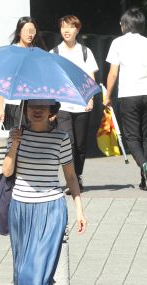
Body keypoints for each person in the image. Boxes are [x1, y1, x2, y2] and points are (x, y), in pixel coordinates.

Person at [3, 99, 86, 285]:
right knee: (25, 266)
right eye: (32, 106)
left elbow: (70, 176)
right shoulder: (16, 135)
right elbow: (7, 172)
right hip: (21, 208)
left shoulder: (60, 138)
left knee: (39, 264)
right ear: (25, 109)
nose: (37, 110)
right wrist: (14, 145)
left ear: (52, 111)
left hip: (51, 208)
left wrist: (79, 210)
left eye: (43, 106)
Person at [104, 8, 147, 192]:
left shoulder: (117, 43)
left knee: (131, 137)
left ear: (124, 25)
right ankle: (145, 180)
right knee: (145, 136)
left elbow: (113, 73)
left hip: (128, 94)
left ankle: (144, 166)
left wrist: (107, 96)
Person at [50, 15, 98, 192]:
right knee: (68, 142)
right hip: (62, 105)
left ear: (77, 29)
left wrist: (91, 98)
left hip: (81, 104)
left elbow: (91, 78)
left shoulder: (85, 52)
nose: (66, 30)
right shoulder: (54, 53)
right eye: (63, 27)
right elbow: (50, 80)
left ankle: (77, 175)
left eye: (70, 27)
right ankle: (71, 180)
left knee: (80, 145)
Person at [0, 17, 46, 129]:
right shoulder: (11, 52)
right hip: (13, 104)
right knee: (14, 141)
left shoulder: (38, 53)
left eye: (32, 31)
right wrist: (0, 108)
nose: (30, 34)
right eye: (26, 31)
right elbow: (2, 81)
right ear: (19, 32)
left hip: (33, 104)